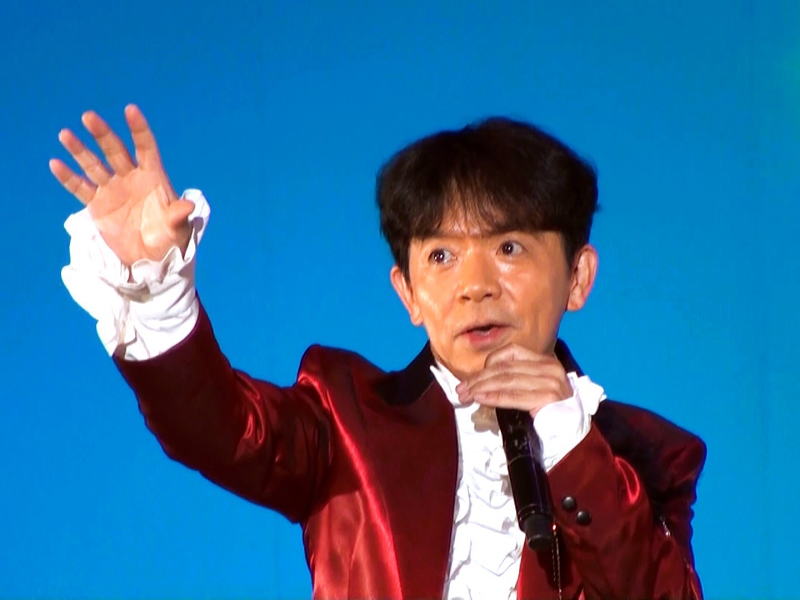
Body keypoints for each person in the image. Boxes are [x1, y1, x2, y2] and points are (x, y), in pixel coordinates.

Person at [52, 105, 706, 599]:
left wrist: (565, 438)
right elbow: (218, 430)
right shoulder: (346, 415)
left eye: (509, 248)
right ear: (408, 293)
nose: (475, 286)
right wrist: (156, 288)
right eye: (442, 256)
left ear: (578, 277)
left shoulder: (649, 455)